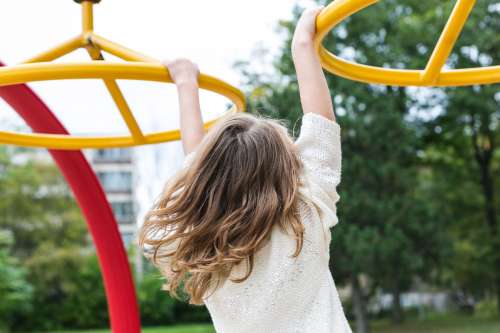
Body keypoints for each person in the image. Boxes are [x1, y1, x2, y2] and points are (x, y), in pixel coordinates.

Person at [139, 7, 352, 333]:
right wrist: (302, 45)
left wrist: (186, 82)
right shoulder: (305, 215)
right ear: (286, 166)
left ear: (204, 179)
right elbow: (321, 125)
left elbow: (195, 159)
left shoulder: (205, 241)